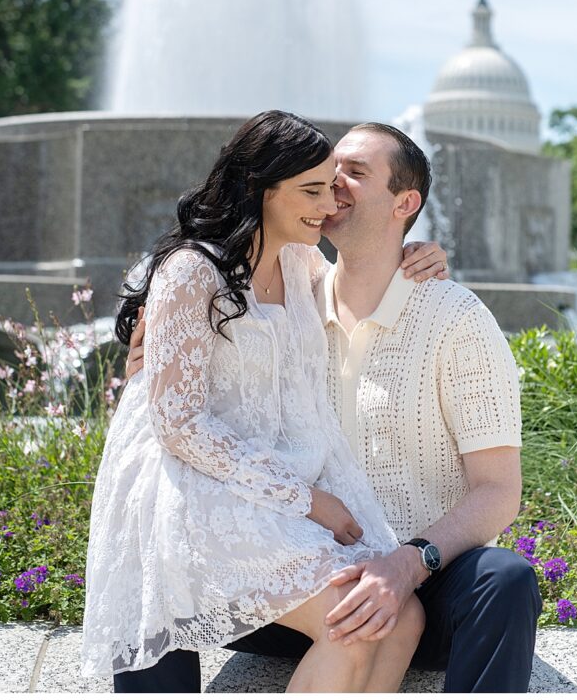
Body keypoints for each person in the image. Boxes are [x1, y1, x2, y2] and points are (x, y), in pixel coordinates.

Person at [128, 121, 542, 692]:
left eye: (354, 172)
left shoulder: (456, 319)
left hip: (418, 575)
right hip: (292, 567)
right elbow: (178, 401)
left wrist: (407, 562)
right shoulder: (288, 289)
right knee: (155, 555)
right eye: (323, 175)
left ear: (406, 203)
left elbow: (499, 490)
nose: (332, 184)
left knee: (506, 579)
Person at [80, 111, 449, 693]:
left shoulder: (301, 263)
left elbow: (366, 280)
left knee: (402, 616)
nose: (328, 204)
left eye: (330, 186)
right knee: (349, 619)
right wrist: (307, 501)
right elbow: (179, 426)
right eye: (310, 190)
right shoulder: (191, 271)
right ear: (259, 188)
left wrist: (417, 254)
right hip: (196, 483)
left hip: (275, 477)